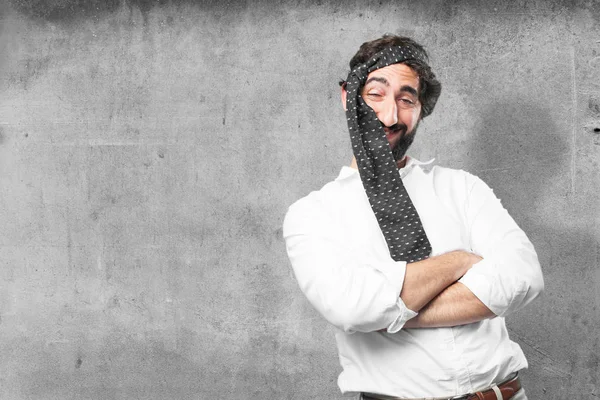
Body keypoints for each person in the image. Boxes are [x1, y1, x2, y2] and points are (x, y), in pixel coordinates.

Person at [282, 35, 544, 400]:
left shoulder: (463, 188)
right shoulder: (311, 215)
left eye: (406, 100)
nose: (390, 116)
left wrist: (394, 312)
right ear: (348, 98)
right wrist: (460, 262)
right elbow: (353, 307)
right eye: (375, 94)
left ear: (421, 109)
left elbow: (523, 278)